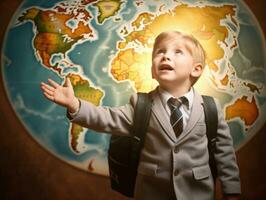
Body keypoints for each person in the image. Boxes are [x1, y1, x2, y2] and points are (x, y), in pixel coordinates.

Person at [40, 30, 241, 200]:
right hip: (150, 192)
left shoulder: (210, 107)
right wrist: (74, 104)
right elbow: (107, 118)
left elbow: (224, 153)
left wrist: (231, 191)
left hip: (197, 193)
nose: (166, 56)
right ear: (153, 71)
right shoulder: (141, 105)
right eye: (160, 52)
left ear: (196, 69)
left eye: (177, 52)